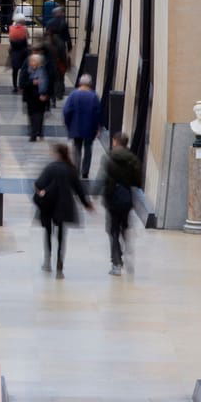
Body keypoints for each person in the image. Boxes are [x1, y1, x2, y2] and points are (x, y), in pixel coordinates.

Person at [33, 142, 91, 277]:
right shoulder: (71, 169)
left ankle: (47, 261)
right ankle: (60, 265)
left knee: (48, 233)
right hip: (64, 206)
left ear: (57, 154)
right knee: (61, 236)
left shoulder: (50, 168)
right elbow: (79, 189)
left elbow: (38, 184)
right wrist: (87, 204)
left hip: (48, 205)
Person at [103, 132, 143, 275]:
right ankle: (128, 251)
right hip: (126, 198)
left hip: (112, 198)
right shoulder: (133, 159)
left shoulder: (109, 157)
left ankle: (116, 263)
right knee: (124, 227)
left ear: (115, 142)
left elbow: (104, 178)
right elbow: (138, 182)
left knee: (113, 230)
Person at [62, 73, 103, 176]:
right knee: (88, 149)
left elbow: (67, 111)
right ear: (90, 84)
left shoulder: (73, 95)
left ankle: (76, 169)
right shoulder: (94, 96)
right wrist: (98, 128)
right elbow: (98, 114)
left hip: (76, 127)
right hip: (89, 128)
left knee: (77, 149)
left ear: (80, 83)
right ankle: (85, 172)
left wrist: (68, 124)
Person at [21, 51, 52, 142]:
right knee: (31, 115)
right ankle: (35, 132)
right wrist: (32, 82)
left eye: (34, 61)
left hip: (40, 97)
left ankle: (35, 134)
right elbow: (22, 83)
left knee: (39, 115)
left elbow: (48, 83)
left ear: (38, 62)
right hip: (30, 97)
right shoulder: (27, 71)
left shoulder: (43, 71)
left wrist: (45, 94)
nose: (31, 63)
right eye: (31, 61)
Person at [8, 15, 31, 92]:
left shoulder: (11, 28)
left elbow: (10, 39)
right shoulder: (24, 29)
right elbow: (28, 37)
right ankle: (23, 85)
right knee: (24, 69)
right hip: (23, 52)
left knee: (15, 70)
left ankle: (15, 86)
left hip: (14, 52)